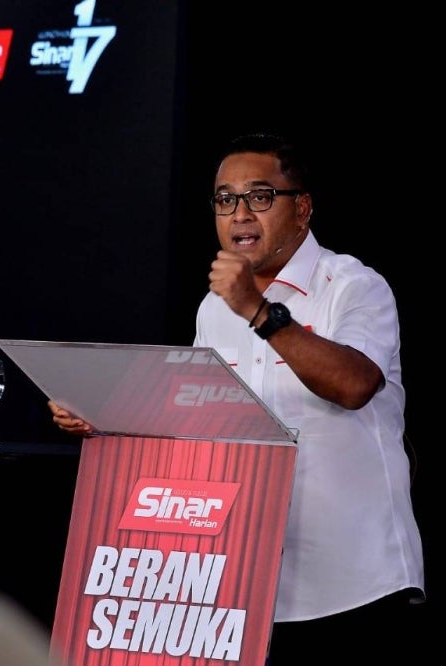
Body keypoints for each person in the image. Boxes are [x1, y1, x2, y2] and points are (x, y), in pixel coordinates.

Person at [49, 132, 425, 662]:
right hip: (247, 583)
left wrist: (257, 310)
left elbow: (354, 385)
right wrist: (105, 421)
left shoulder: (354, 286)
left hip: (356, 585)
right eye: (225, 199)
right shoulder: (214, 308)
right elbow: (197, 420)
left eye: (259, 196)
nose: (240, 214)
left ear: (302, 209)